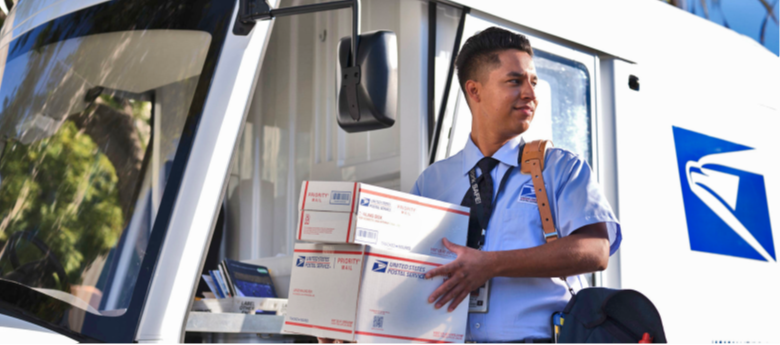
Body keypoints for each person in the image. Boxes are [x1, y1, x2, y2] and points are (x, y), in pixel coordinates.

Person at [411, 27, 622, 343]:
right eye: (515, 81)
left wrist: (490, 265)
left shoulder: (560, 168)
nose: (531, 93)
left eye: (533, 82)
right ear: (475, 90)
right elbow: (399, 269)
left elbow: (596, 250)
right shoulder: (431, 182)